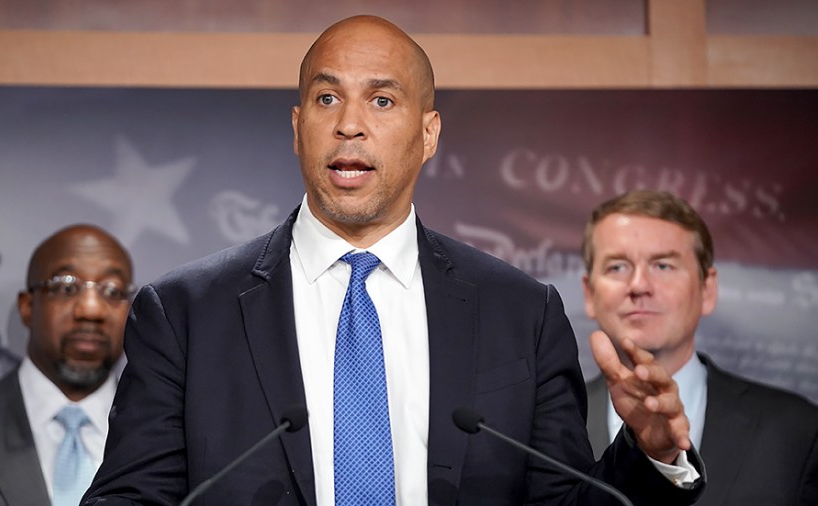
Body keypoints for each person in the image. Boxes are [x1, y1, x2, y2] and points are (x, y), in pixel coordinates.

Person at [83, 15, 705, 505]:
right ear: (298, 128)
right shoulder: (185, 313)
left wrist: (646, 457)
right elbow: (130, 497)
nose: (349, 124)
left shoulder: (521, 313)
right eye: (327, 100)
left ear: (429, 134)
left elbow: (566, 501)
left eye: (382, 101)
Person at [582, 190, 818, 505]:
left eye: (663, 265)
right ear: (589, 294)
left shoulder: (798, 430)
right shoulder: (548, 425)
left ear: (707, 289)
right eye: (617, 267)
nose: (638, 285)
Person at [0, 224, 135, 506]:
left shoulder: (172, 437)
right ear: (27, 306)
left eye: (113, 291)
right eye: (67, 286)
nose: (91, 310)